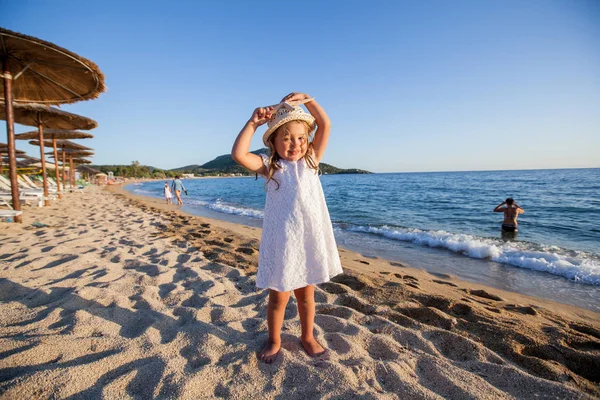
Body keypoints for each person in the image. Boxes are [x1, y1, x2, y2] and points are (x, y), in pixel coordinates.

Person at [231, 92, 342, 364]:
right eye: (287, 138)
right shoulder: (272, 167)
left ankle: (307, 336)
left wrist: (309, 100)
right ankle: (275, 340)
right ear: (275, 142)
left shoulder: (311, 161)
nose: (295, 144)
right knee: (278, 298)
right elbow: (238, 154)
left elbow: (325, 124)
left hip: (307, 241)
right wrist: (252, 123)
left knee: (307, 297)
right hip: (283, 243)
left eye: (301, 138)